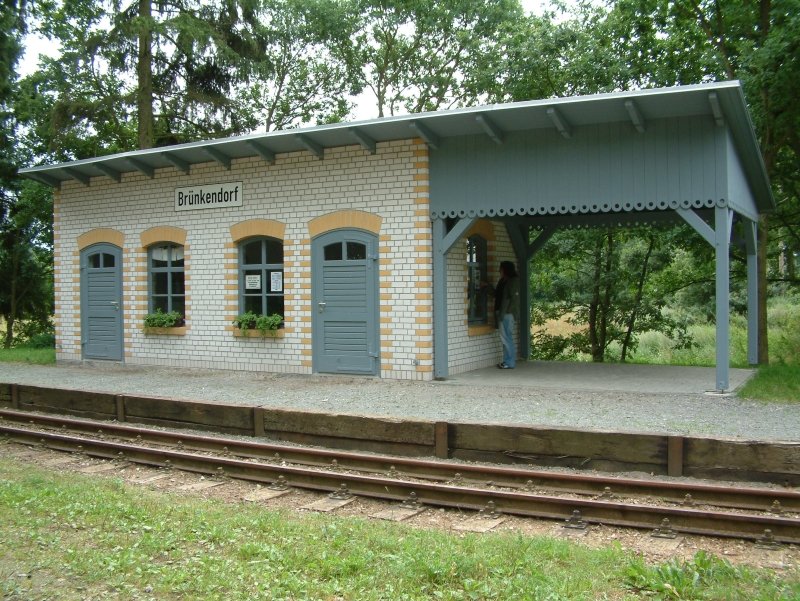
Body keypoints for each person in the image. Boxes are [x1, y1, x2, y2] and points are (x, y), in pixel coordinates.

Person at [495, 261, 519, 369]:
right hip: (503, 313)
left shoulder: (512, 282)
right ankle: (506, 361)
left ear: (505, 269)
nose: (499, 270)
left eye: (500, 268)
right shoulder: (502, 281)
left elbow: (512, 299)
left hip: (507, 314)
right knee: (505, 338)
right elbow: (497, 295)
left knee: (506, 338)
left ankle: (509, 362)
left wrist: (504, 312)